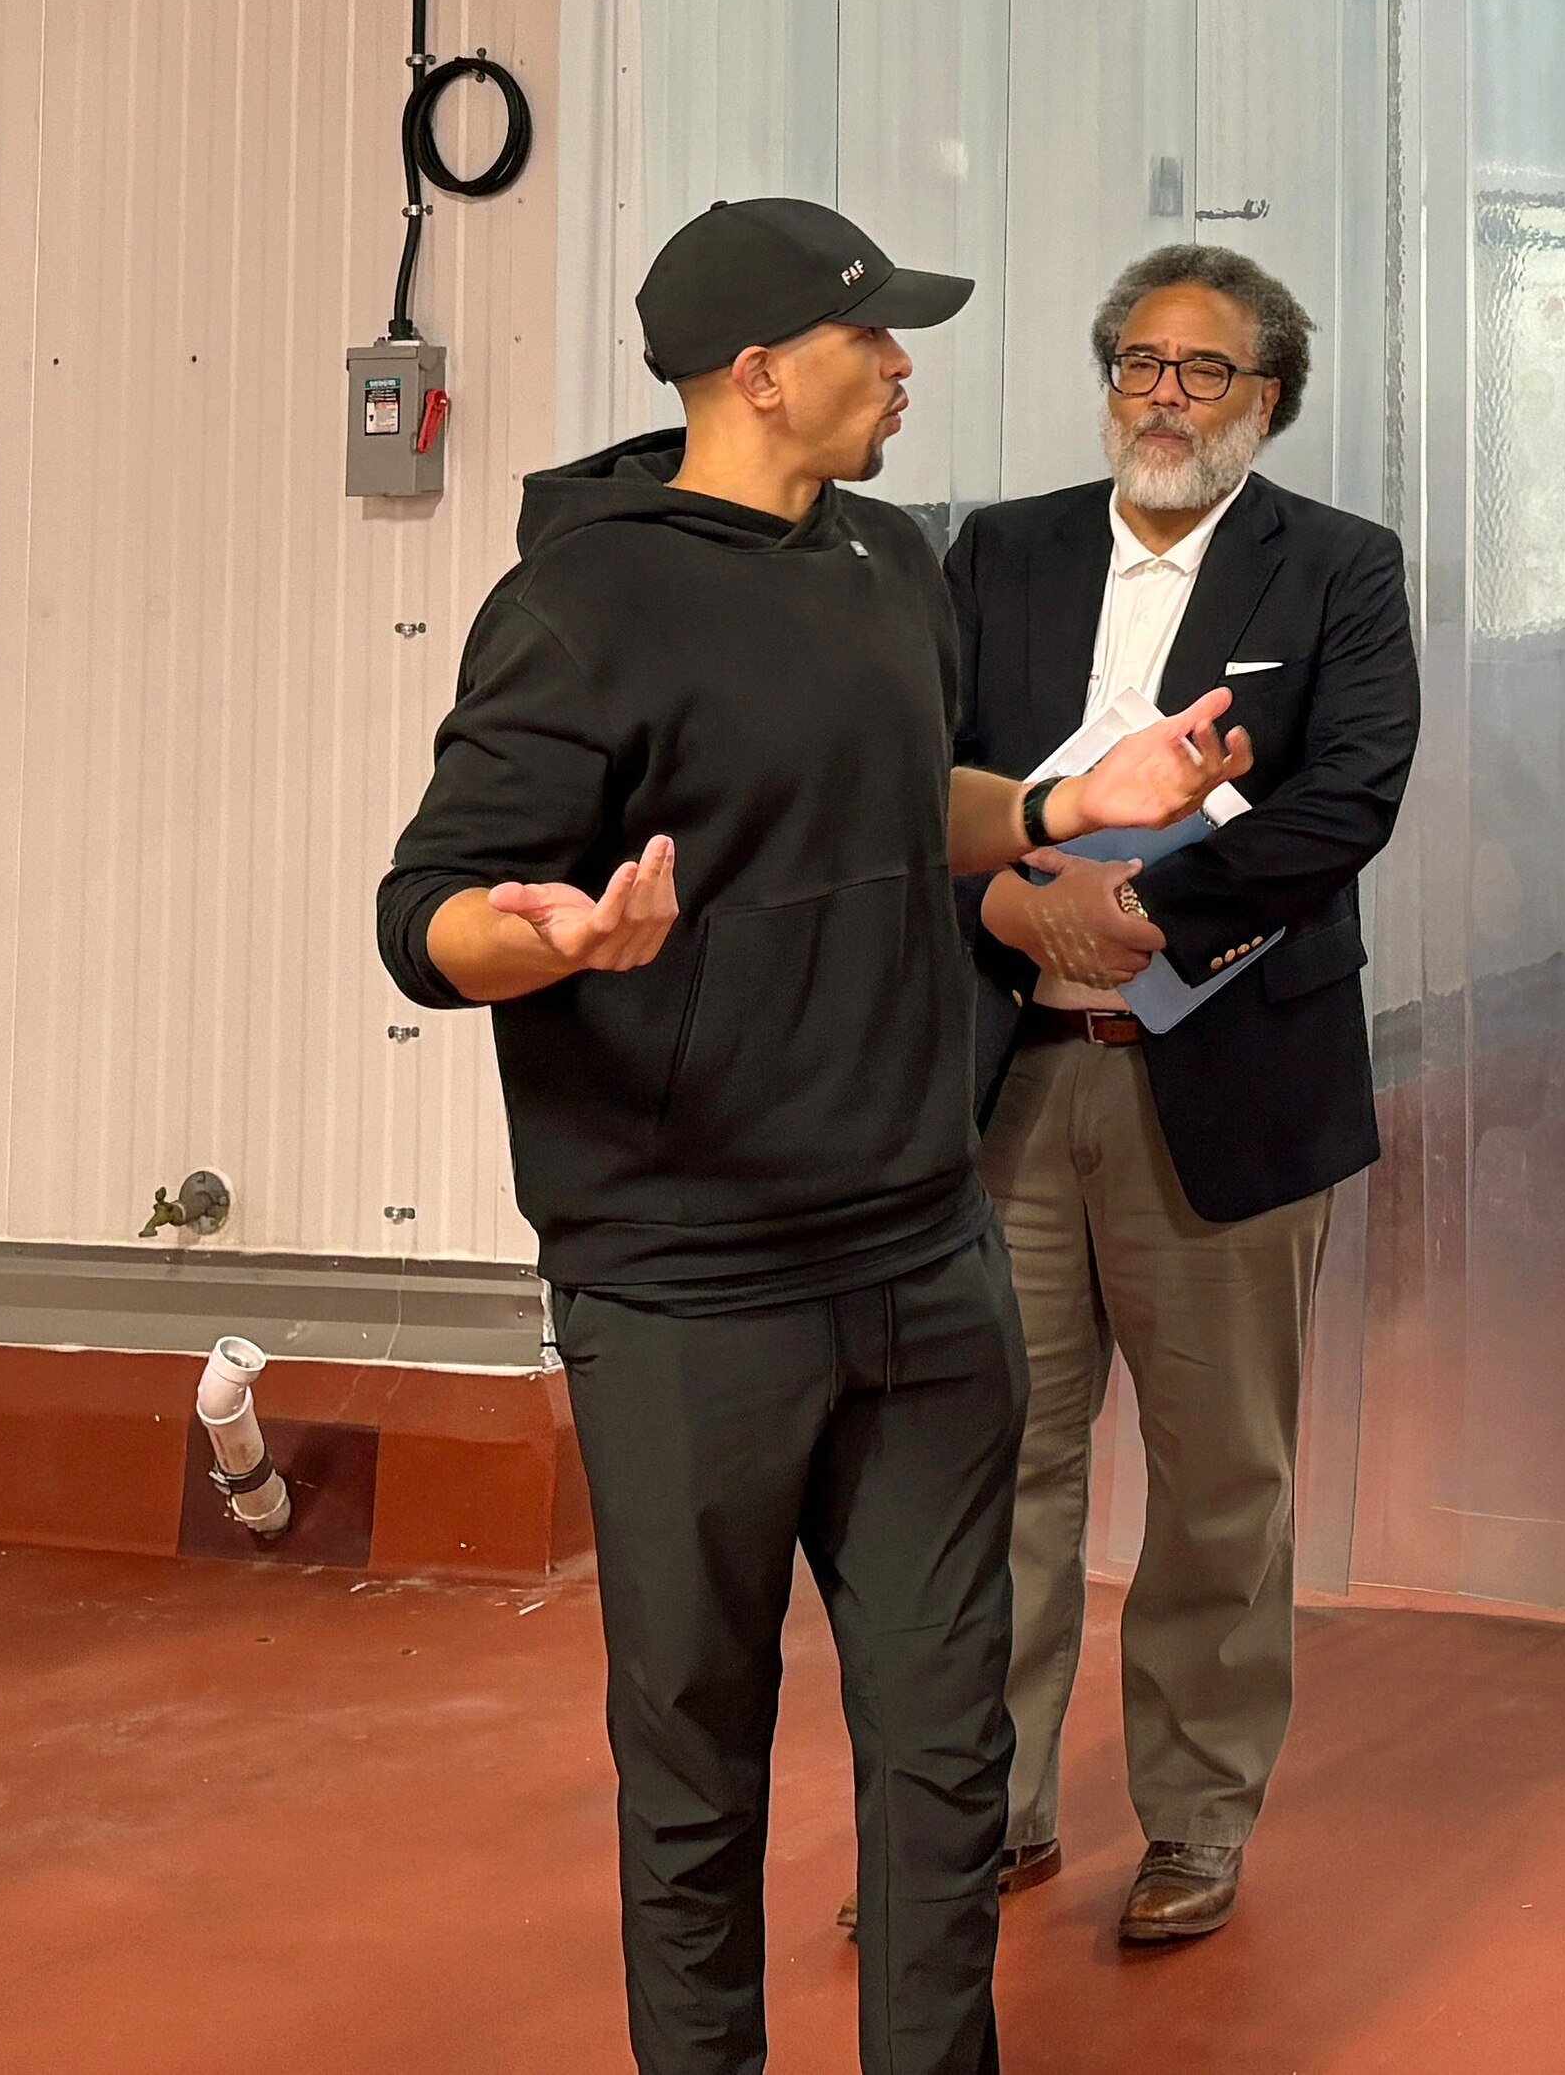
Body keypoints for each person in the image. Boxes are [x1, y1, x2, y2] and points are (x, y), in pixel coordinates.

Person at [376, 198, 1247, 2075]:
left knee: (948, 1759)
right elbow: (427, 906)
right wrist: (551, 941)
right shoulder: (582, 600)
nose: (907, 365)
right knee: (696, 1753)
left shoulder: (882, 563)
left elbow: (890, 794)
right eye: (877, 339)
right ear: (762, 369)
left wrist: (1071, 796)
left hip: (920, 1250)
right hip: (689, 1283)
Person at [940, 245, 1417, 1950]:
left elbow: (1348, 796)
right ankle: (975, 1817)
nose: (1161, 393)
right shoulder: (1001, 551)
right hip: (1009, 1082)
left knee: (1223, 1479)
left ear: (1266, 399)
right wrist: (1016, 901)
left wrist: (1140, 912)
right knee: (997, 1468)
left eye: (1202, 370)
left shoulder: (1339, 569)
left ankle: (1197, 1822)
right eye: (1137, 360)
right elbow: (911, 774)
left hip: (1215, 1073)